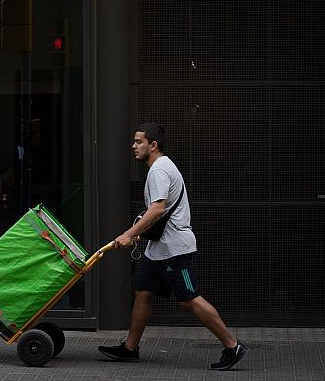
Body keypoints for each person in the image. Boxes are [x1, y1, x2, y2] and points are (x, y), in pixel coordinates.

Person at [98, 123, 246, 371]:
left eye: (138, 142)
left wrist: (129, 234)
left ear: (153, 145)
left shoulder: (159, 170)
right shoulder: (161, 168)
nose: (133, 146)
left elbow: (157, 208)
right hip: (157, 249)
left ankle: (232, 346)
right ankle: (130, 348)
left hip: (174, 250)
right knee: (143, 293)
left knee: (189, 298)